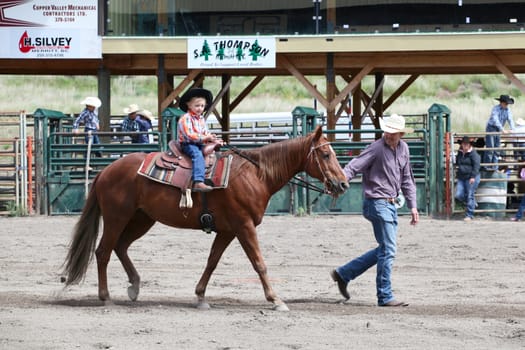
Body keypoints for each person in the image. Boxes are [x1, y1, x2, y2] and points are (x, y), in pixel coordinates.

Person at [330, 114, 419, 307]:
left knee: (385, 249)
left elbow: (407, 179)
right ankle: (385, 296)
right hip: (377, 203)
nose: (388, 135)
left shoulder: (404, 149)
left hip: (391, 204)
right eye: (387, 131)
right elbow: (354, 166)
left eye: (393, 132)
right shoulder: (376, 148)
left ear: (401, 134)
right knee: (389, 249)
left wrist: (413, 205)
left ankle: (344, 273)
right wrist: (339, 181)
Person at [177, 88, 222, 192]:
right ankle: (198, 181)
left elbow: (205, 132)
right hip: (188, 144)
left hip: (199, 142)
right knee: (197, 155)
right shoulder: (185, 118)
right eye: (197, 106)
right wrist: (205, 138)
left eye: (202, 106)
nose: (200, 108)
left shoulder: (201, 119)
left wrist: (213, 139)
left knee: (213, 152)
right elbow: (189, 135)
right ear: (189, 105)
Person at [483, 94, 516, 171]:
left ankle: (494, 166)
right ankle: (487, 166)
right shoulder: (495, 109)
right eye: (506, 103)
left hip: (498, 129)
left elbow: (510, 119)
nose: (507, 105)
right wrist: (503, 129)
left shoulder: (508, 110)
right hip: (491, 128)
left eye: (507, 104)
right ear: (501, 102)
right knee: (490, 148)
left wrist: (513, 129)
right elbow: (495, 120)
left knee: (497, 148)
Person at [455, 136, 481, 221]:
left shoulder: (473, 154)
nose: (465, 145)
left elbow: (476, 166)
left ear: (469, 145)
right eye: (463, 144)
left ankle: (469, 214)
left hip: (471, 176)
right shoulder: (460, 153)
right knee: (459, 195)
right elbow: (457, 162)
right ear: (462, 144)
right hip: (462, 176)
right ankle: (472, 204)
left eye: (466, 144)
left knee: (470, 195)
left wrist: (473, 176)